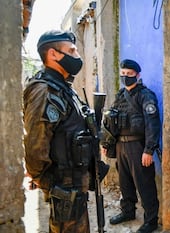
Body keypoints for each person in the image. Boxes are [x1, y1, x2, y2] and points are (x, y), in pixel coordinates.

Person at [23, 30, 92, 232]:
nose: (77, 55)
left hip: (75, 182)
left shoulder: (63, 87)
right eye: (71, 50)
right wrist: (47, 182)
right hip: (64, 185)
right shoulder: (44, 90)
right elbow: (36, 144)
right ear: (53, 54)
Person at [103, 59, 160, 233]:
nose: (126, 77)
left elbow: (153, 124)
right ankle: (128, 211)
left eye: (129, 74)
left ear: (138, 75)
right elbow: (110, 121)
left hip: (138, 146)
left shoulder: (145, 95)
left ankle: (151, 221)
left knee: (145, 184)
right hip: (121, 145)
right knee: (125, 183)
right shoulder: (120, 96)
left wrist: (149, 150)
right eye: (123, 74)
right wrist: (106, 143)